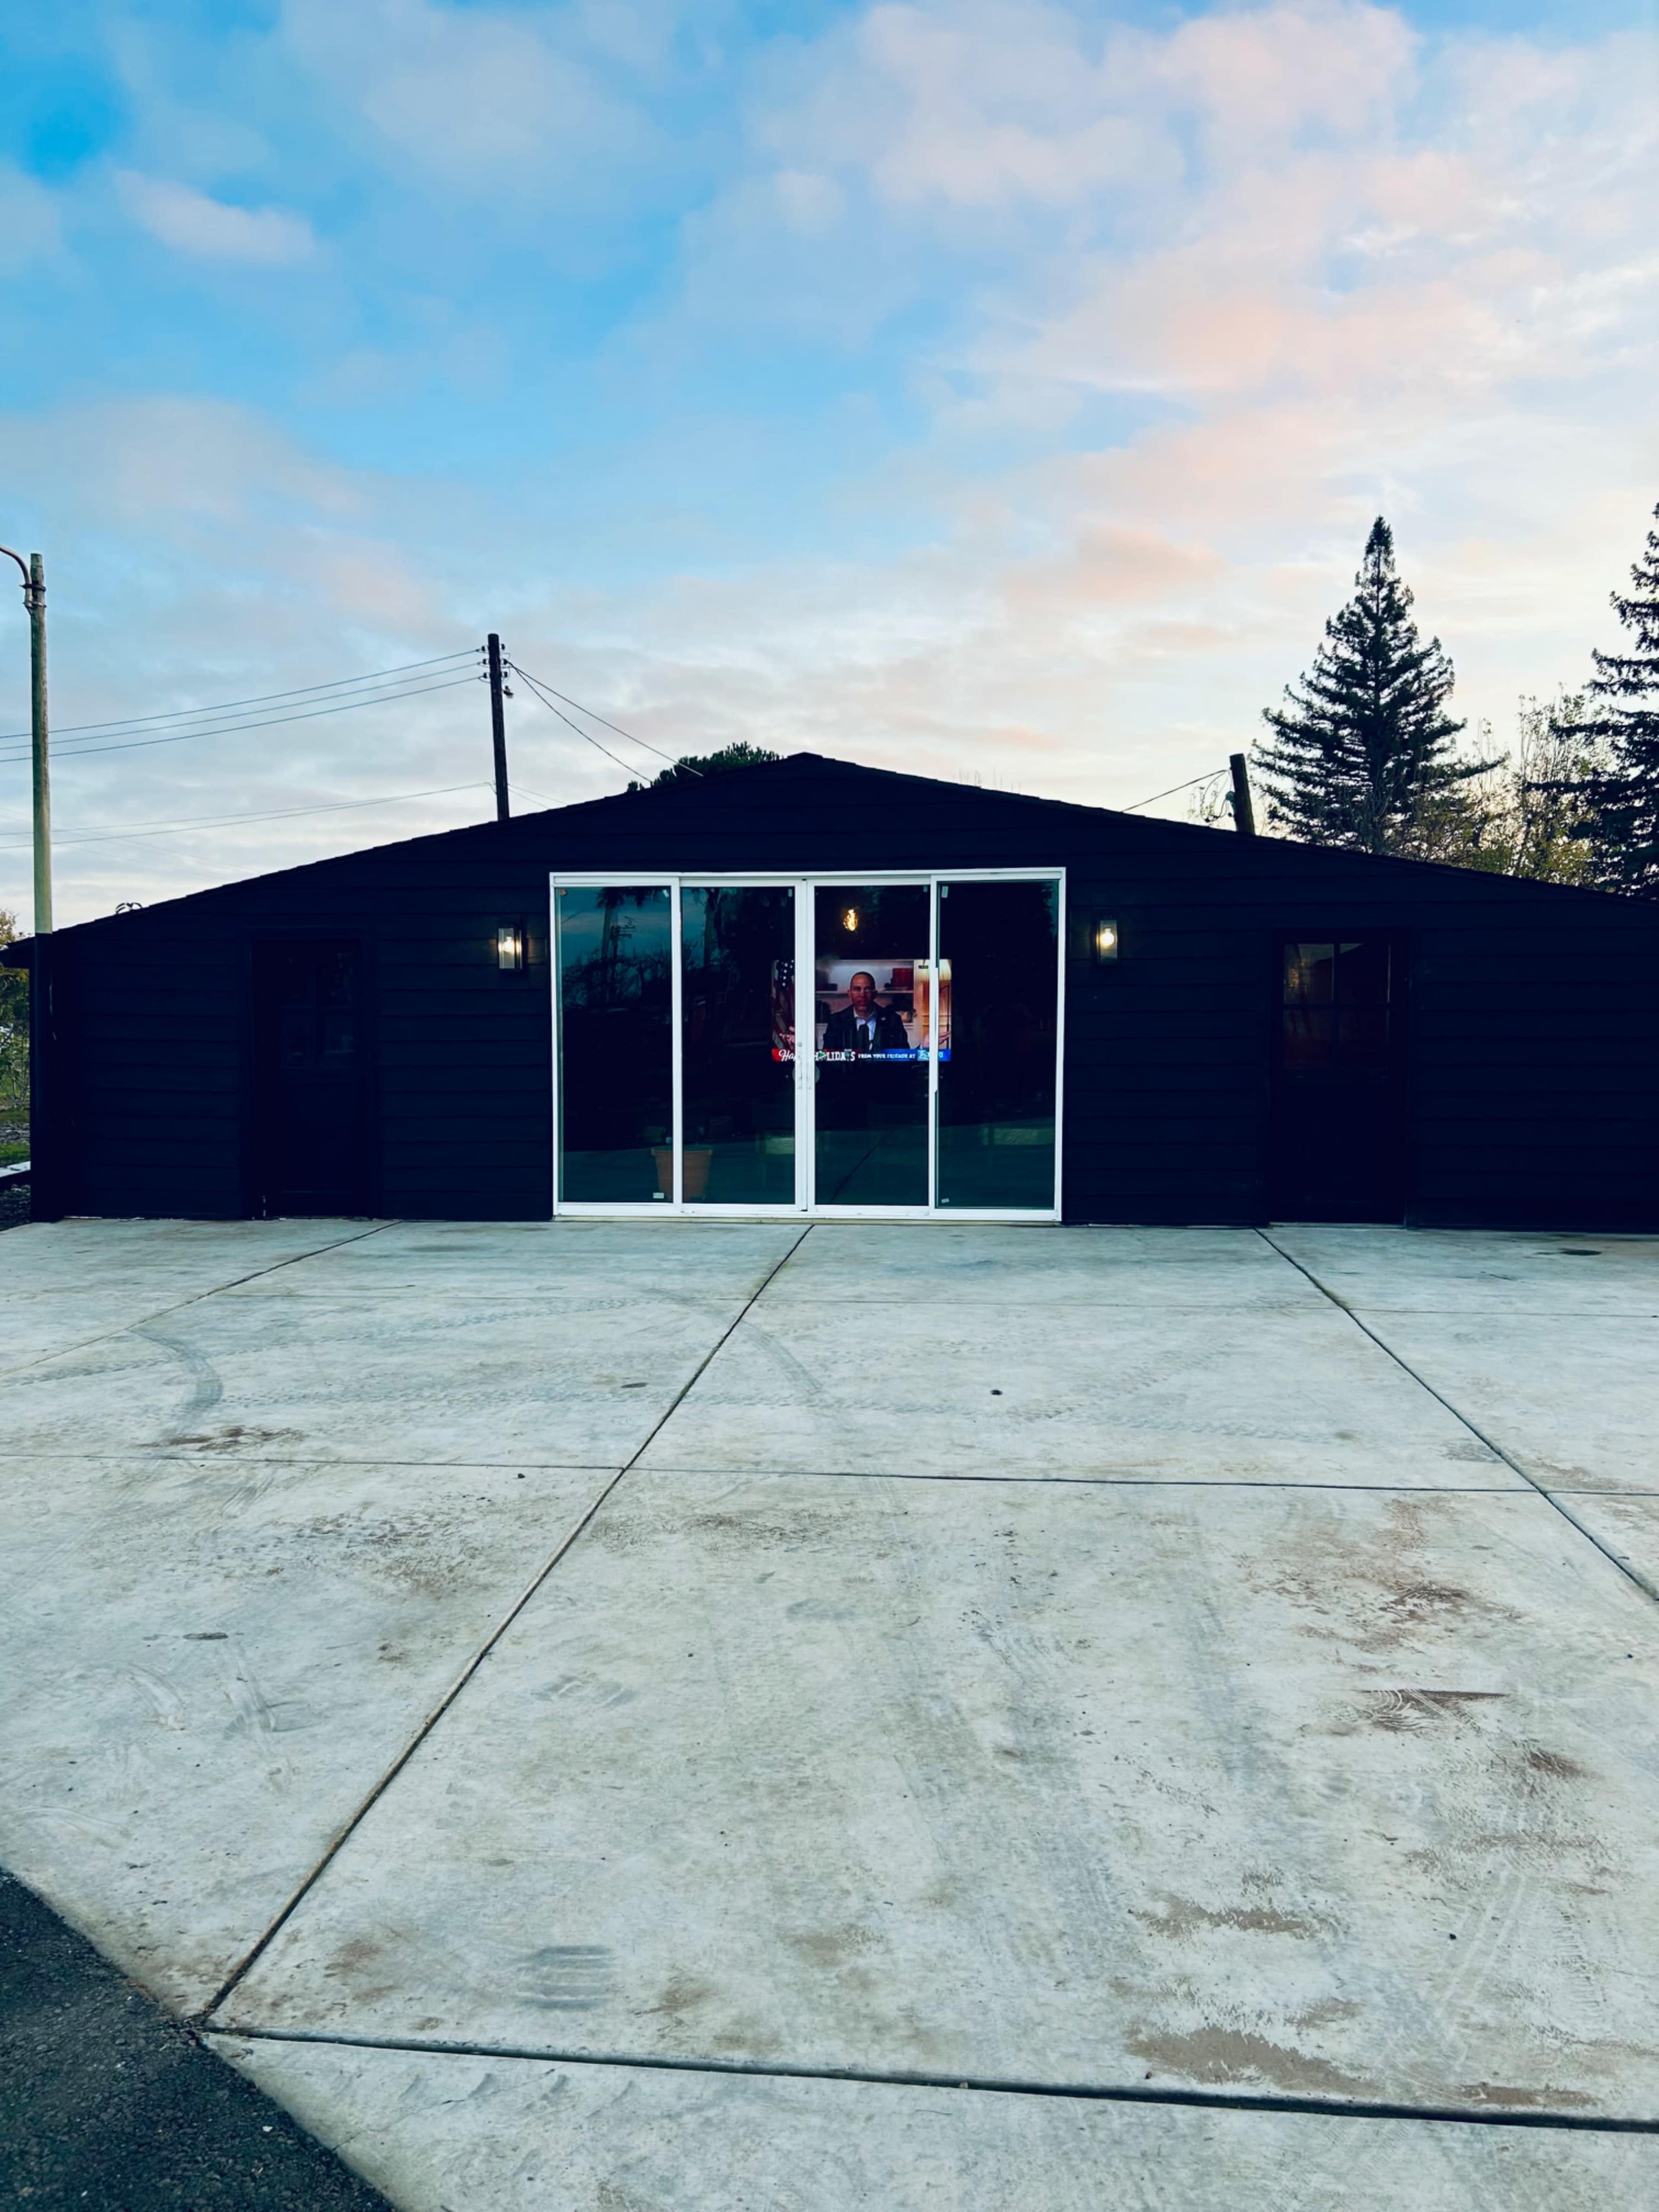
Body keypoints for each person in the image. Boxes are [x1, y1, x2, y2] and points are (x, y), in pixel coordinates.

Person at [821, 969, 909, 1054]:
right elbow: (828, 1060)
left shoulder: (893, 1020)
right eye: (857, 989)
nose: (862, 995)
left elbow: (905, 1057)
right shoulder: (836, 1021)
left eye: (868, 989)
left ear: (875, 994)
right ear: (850, 994)